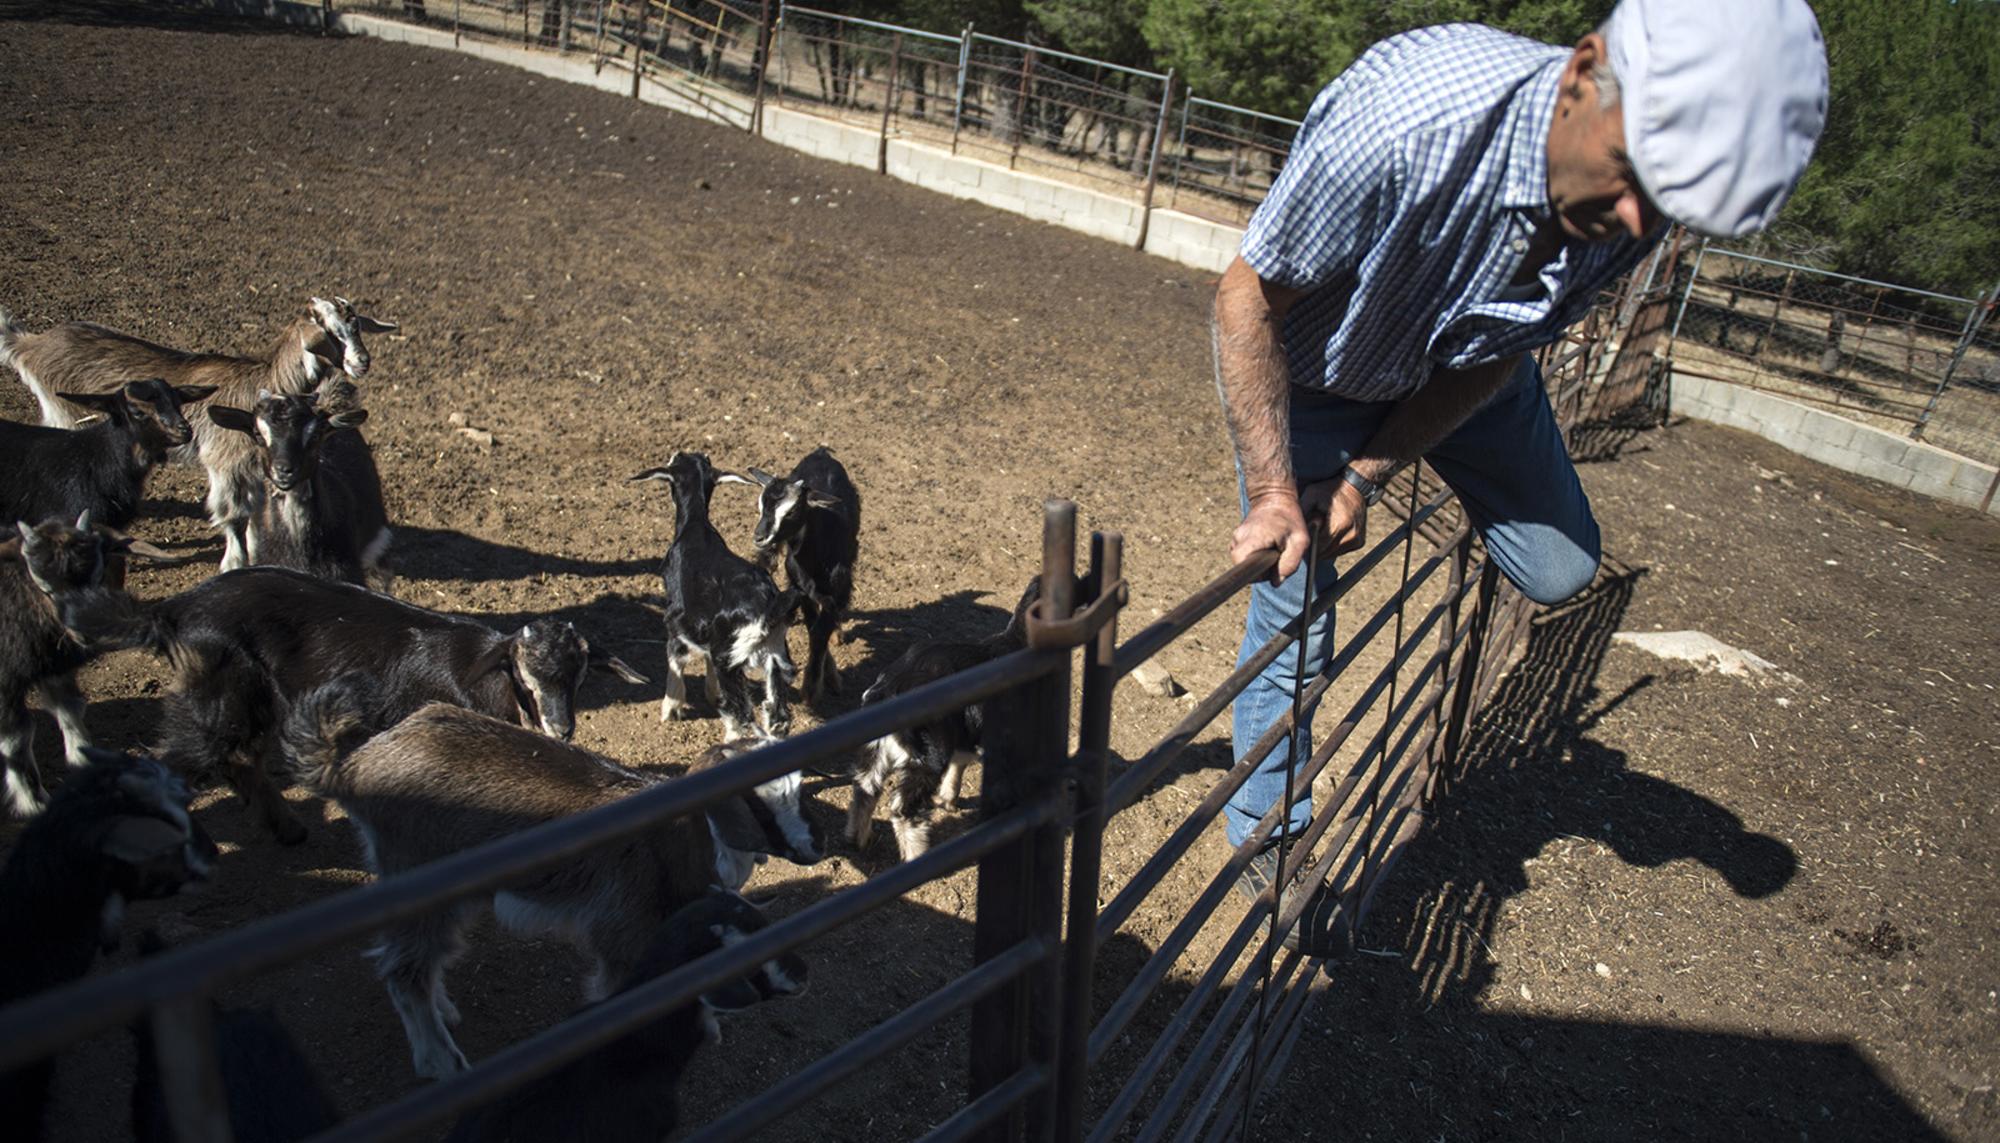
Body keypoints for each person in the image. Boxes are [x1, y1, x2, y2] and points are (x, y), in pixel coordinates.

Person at [1214, 0, 1828, 951]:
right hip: (1328, 365)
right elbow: (1246, 296)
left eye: (1668, 204)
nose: (1636, 222)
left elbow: (1499, 358)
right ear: (1585, 70)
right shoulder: (1407, 126)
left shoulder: (1629, 199)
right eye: (1637, 176)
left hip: (1469, 362)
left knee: (1559, 569)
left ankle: (1432, 479)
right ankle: (1267, 833)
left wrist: (1371, 477)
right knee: (1295, 594)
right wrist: (1280, 492)